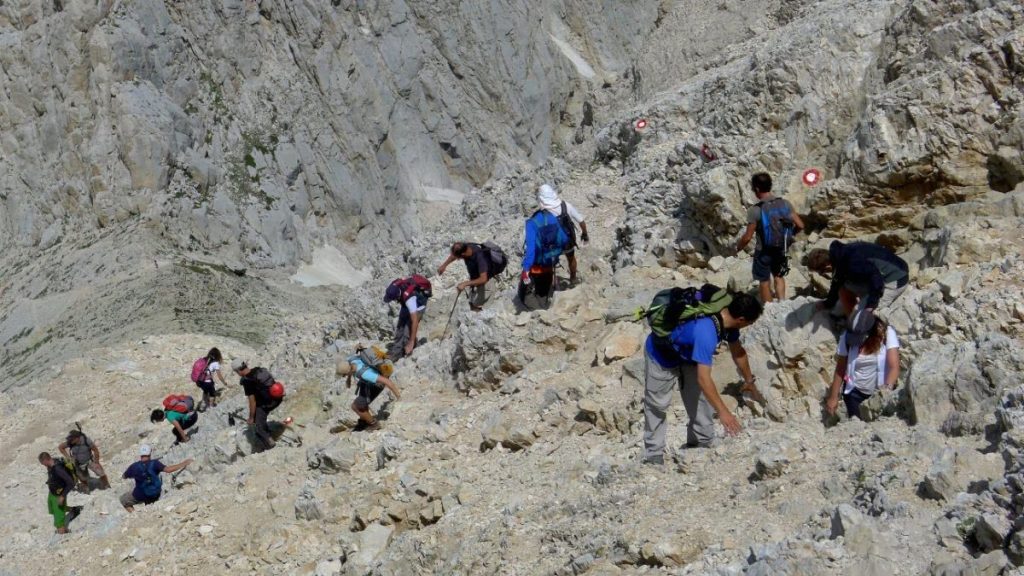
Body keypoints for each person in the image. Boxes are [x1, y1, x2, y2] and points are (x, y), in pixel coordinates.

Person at [642, 292, 763, 465]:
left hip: (689, 356)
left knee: (699, 400)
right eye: (749, 323)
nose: (747, 326)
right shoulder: (706, 332)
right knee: (657, 405)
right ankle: (653, 455)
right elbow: (704, 379)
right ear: (741, 319)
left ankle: (701, 443)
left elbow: (738, 352)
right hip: (661, 356)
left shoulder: (729, 323)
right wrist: (724, 412)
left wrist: (749, 381)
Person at [805, 240, 909, 345]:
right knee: (844, 286)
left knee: (863, 319)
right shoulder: (840, 257)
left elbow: (876, 278)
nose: (821, 274)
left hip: (895, 278)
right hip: (878, 276)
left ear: (827, 265)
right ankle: (846, 316)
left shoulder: (853, 263)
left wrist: (870, 305)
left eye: (821, 271)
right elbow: (837, 282)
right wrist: (828, 303)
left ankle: (879, 338)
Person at [735, 173, 805, 303]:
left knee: (764, 281)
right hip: (781, 248)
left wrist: (738, 247)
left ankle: (769, 309)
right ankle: (782, 303)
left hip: (764, 252)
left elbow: (747, 237)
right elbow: (801, 225)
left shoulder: (756, 210)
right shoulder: (785, 204)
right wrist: (789, 236)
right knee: (779, 276)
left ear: (757, 189)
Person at [825, 317, 900, 419]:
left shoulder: (887, 333)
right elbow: (840, 368)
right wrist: (833, 397)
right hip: (854, 393)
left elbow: (894, 367)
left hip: (880, 393)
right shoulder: (847, 336)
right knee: (857, 425)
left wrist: (886, 392)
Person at [336, 348, 402, 431]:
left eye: (344, 375)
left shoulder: (365, 374)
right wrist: (348, 378)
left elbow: (387, 382)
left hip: (376, 385)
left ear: (349, 371)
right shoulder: (351, 360)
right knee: (362, 402)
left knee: (356, 406)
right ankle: (364, 421)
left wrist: (399, 397)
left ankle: (374, 424)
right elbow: (355, 351)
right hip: (365, 383)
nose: (344, 376)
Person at [536, 184, 589, 286]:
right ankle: (573, 279)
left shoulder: (542, 213)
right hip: (568, 240)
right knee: (571, 258)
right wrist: (585, 233)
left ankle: (552, 283)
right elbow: (581, 221)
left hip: (553, 243)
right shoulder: (566, 205)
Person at [120, 444, 192, 512]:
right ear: (150, 453)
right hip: (155, 494)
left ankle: (135, 515)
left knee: (123, 500)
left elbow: (124, 476)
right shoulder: (155, 463)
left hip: (140, 495)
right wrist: (184, 463)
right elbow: (168, 470)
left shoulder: (134, 466)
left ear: (140, 454)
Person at [437, 242, 507, 311]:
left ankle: (482, 306)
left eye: (458, 257)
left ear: (463, 254)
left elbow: (483, 279)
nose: (457, 259)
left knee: (477, 302)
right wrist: (444, 265)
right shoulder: (466, 247)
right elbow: (454, 255)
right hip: (480, 269)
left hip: (489, 272)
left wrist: (465, 283)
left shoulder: (480, 258)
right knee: (474, 285)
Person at [232, 359, 282, 451]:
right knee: (259, 418)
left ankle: (270, 445)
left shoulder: (247, 381)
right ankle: (266, 429)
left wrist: (251, 418)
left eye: (236, 372)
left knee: (258, 427)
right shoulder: (257, 370)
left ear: (238, 370)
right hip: (277, 398)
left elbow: (252, 401)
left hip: (267, 403)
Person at [383, 275, 431, 359]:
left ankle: (412, 349)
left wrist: (411, 341)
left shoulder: (409, 299)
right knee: (400, 327)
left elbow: (415, 321)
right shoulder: (394, 285)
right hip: (406, 302)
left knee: (407, 333)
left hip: (419, 305)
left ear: (397, 296)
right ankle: (396, 351)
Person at [39, 452, 78, 534]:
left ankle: (63, 531)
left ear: (46, 460)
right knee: (52, 509)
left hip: (59, 495)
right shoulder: (51, 464)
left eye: (43, 463)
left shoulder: (58, 469)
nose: (43, 465)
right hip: (52, 492)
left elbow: (71, 483)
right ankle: (73, 509)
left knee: (59, 520)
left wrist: (62, 496)